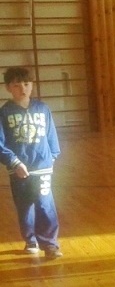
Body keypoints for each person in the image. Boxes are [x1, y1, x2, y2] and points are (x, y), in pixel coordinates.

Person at [0, 67, 62, 260]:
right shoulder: (4, 112)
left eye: (26, 84)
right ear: (8, 88)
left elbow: (51, 136)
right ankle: (30, 239)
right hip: (19, 170)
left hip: (42, 168)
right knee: (25, 206)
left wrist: (52, 156)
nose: (23, 89)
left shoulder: (42, 109)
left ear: (32, 85)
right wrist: (14, 162)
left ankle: (50, 244)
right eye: (17, 85)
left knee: (45, 204)